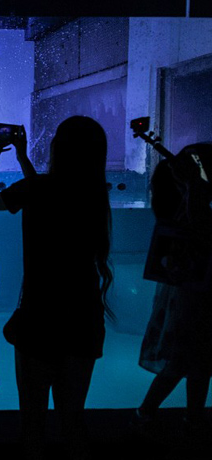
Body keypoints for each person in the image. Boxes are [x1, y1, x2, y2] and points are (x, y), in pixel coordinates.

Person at [0, 116, 113, 460]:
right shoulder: (95, 196)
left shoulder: (36, 190)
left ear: (58, 148)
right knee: (73, 420)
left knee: (33, 423)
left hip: (40, 316)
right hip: (83, 316)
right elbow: (50, 192)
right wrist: (24, 160)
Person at [134, 142, 212, 440]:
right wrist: (194, 187)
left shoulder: (180, 206)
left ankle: (173, 417)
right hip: (195, 297)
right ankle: (154, 415)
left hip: (190, 294)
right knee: (191, 360)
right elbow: (199, 231)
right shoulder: (192, 208)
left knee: (196, 362)